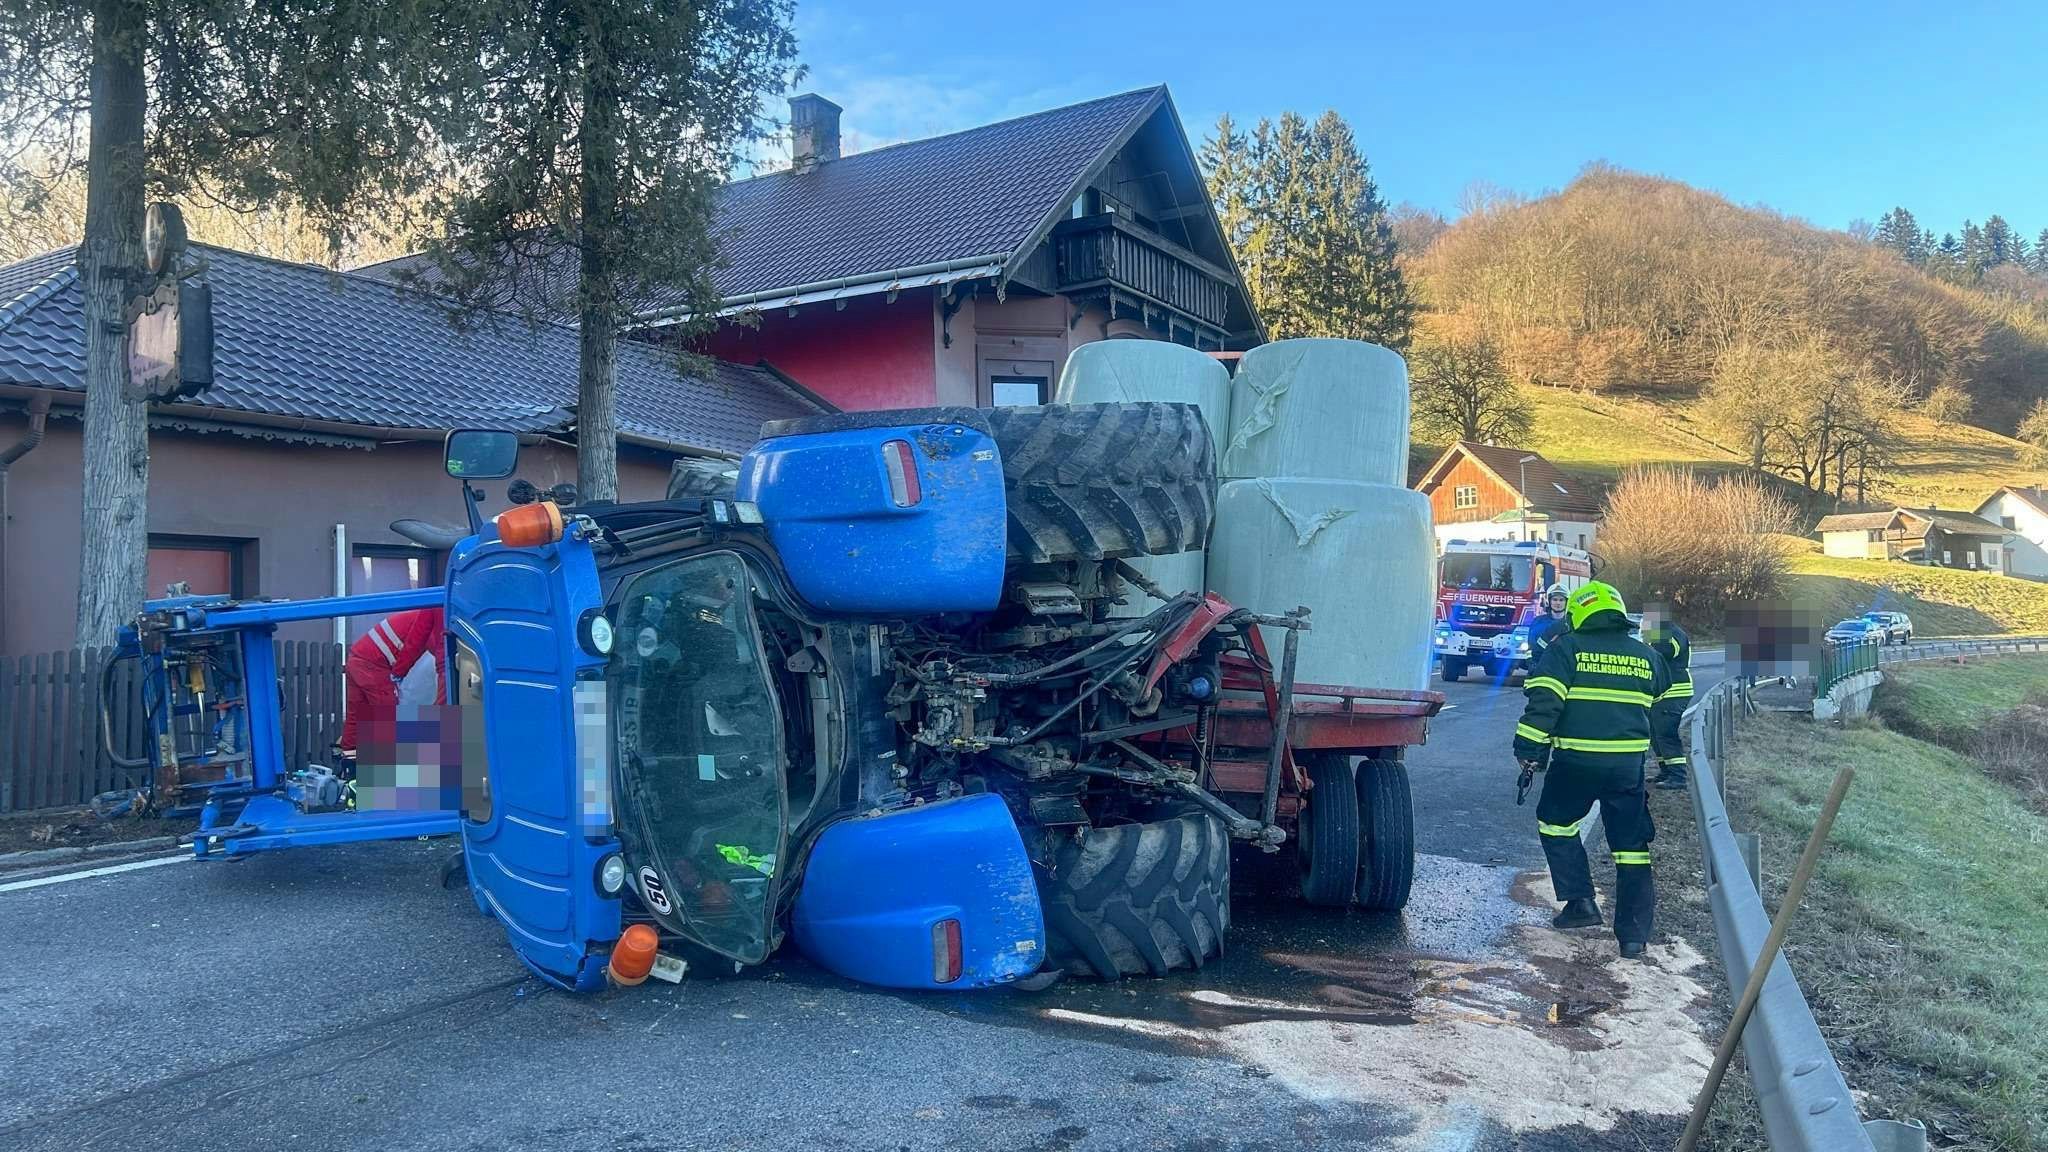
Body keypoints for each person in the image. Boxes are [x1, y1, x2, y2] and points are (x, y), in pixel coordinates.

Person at [1512, 582, 1671, 959]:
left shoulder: (1566, 649)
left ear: (1578, 613)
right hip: (1627, 768)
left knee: (1555, 822)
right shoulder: (1645, 655)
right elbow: (1663, 695)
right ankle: (1633, 938)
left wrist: (1529, 752)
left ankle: (1580, 903)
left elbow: (1544, 703)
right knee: (1631, 848)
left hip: (1575, 763)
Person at [340, 607, 446, 752]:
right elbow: (425, 647)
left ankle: (348, 760)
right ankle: (390, 767)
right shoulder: (431, 615)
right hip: (374, 665)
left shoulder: (417, 613)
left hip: (356, 659)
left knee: (356, 716)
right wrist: (399, 673)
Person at [1641, 603, 1693, 790]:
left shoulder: (1671, 633)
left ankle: (1678, 777)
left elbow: (1665, 652)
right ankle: (1666, 771)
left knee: (1666, 734)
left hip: (1674, 691)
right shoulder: (1661, 632)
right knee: (1656, 735)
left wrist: (1649, 640)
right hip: (1662, 693)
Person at [1526, 585, 1572, 660]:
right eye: (1555, 599)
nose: (1558, 603)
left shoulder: (1571, 623)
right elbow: (1531, 645)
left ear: (1566, 602)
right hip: (1542, 665)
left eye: (1561, 600)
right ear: (1549, 601)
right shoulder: (1538, 622)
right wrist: (1530, 662)